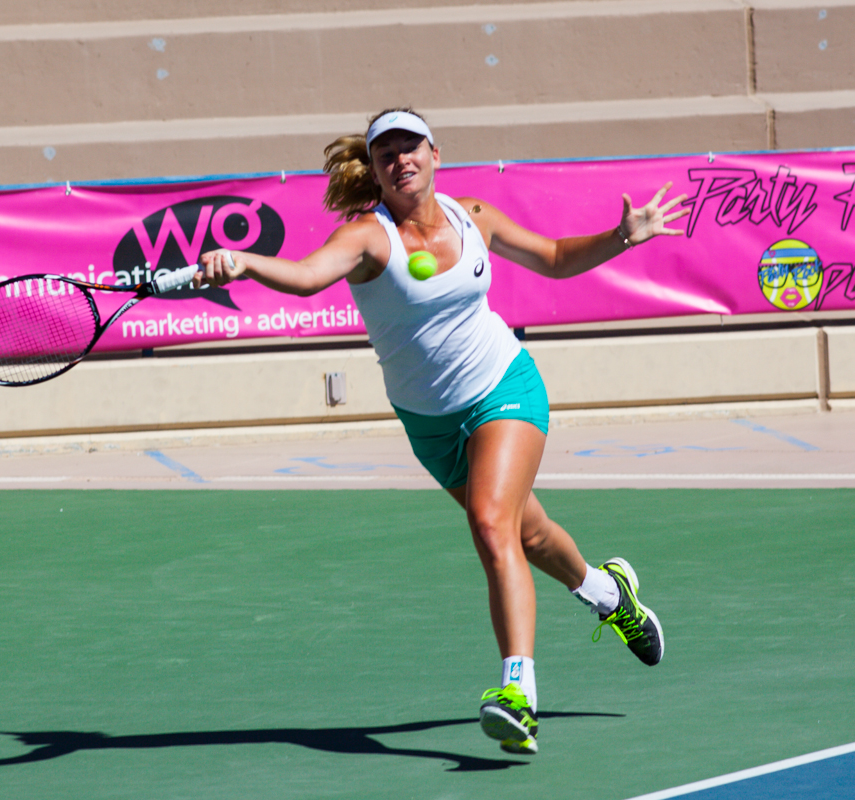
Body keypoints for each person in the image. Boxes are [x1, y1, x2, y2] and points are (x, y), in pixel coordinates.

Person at [196, 108, 689, 755]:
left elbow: (554, 258)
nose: (401, 161)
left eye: (411, 148)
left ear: (435, 154)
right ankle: (609, 594)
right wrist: (245, 263)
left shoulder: (472, 217)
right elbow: (310, 274)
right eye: (386, 154)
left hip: (504, 387)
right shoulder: (369, 239)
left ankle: (518, 693)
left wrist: (621, 237)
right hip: (429, 422)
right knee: (528, 532)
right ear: (374, 171)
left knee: (490, 522)